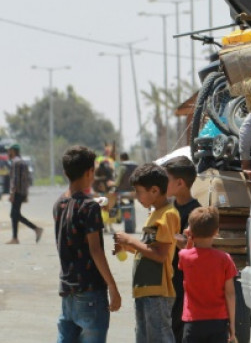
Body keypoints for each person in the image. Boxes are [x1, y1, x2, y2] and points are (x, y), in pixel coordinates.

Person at [55, 145, 122, 342]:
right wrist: (112, 286)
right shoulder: (89, 207)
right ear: (90, 172)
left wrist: (97, 202)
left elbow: (75, 212)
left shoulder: (59, 204)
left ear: (66, 172)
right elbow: (96, 249)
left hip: (67, 291)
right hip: (91, 292)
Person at [114, 163, 180, 343]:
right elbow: (147, 248)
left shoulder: (168, 214)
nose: (136, 197)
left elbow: (160, 255)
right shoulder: (154, 213)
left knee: (159, 337)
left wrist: (131, 240)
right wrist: (126, 247)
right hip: (144, 291)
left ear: (154, 191)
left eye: (139, 191)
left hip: (157, 291)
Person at [178, 207, 237, 343]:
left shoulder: (184, 256)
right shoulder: (225, 259)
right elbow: (230, 294)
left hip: (193, 322)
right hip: (218, 322)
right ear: (216, 231)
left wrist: (189, 238)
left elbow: (187, 257)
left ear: (191, 231)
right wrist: (232, 325)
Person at [165, 157, 201, 343]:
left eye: (166, 179)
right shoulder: (167, 207)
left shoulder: (196, 212)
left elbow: (188, 243)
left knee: (178, 329)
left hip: (183, 281)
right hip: (166, 280)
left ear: (180, 183)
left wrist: (166, 233)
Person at [7, 143, 42, 244]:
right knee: (14, 214)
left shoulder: (15, 162)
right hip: (21, 192)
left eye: (9, 151)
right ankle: (15, 238)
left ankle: (36, 229)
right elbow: (27, 180)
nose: (8, 153)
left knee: (14, 214)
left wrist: (12, 194)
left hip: (17, 192)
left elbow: (15, 180)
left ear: (13, 151)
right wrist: (26, 194)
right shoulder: (22, 162)